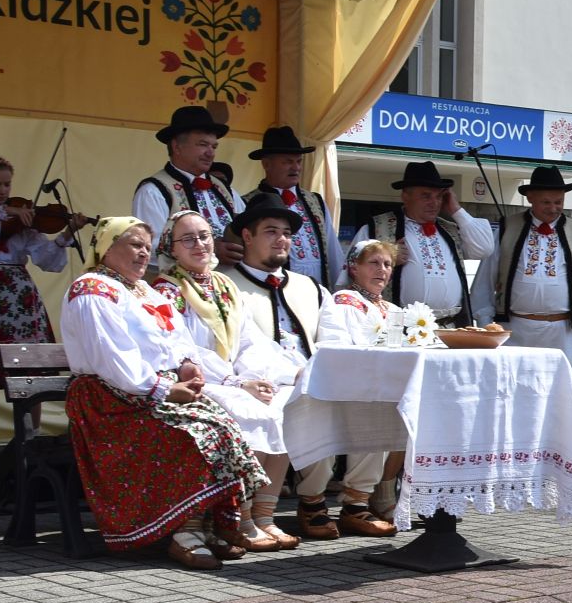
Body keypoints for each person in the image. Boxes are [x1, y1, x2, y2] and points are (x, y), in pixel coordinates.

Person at [61, 217, 267, 570]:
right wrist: (162, 388)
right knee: (191, 433)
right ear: (106, 247)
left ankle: (204, 525)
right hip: (111, 399)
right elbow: (111, 356)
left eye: (147, 246)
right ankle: (185, 533)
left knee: (220, 425)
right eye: (134, 244)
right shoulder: (93, 289)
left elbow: (175, 337)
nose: (144, 253)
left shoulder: (143, 290)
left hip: (146, 391)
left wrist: (186, 365)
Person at [226, 192, 386, 539]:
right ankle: (309, 502)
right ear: (247, 236)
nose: (282, 240)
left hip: (313, 376)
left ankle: (356, 501)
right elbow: (236, 348)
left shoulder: (310, 287)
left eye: (286, 233)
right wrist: (294, 375)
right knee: (306, 405)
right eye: (271, 231)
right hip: (260, 382)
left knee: (376, 405)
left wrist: (330, 372)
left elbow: (333, 339)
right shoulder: (226, 284)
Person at [152, 209, 302, 553]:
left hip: (234, 378)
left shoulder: (224, 285)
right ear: (171, 248)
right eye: (188, 239)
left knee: (285, 406)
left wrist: (269, 376)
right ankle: (240, 518)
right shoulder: (168, 290)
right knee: (250, 411)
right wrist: (237, 384)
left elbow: (251, 342)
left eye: (204, 236)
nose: (199, 244)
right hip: (196, 381)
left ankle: (264, 514)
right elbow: (184, 350)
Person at [0, 155, 89, 466]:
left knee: (31, 372)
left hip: (19, 293)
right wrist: (6, 213)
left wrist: (67, 233)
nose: (2, 190)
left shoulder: (23, 215)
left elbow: (47, 259)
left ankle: (30, 444)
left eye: (6, 184)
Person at [319, 238, 405, 529]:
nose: (382, 270)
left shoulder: (392, 308)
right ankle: (355, 504)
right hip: (353, 387)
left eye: (387, 264)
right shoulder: (345, 301)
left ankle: (378, 496)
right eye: (374, 263)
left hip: (384, 387)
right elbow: (341, 349)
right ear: (354, 268)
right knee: (376, 416)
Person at [350, 161, 496, 326]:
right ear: (405, 196)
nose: (434, 203)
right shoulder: (377, 228)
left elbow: (485, 248)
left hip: (450, 327)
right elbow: (350, 277)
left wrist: (456, 209)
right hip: (401, 328)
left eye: (439, 196)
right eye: (426, 196)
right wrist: (388, 262)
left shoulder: (450, 230)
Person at [487, 167, 572, 360]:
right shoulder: (508, 228)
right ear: (530, 197)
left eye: (558, 202)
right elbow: (485, 280)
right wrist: (485, 322)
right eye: (546, 202)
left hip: (562, 333)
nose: (553, 208)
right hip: (514, 331)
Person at [133, 105, 243, 254]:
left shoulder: (226, 189)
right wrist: (210, 250)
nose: (211, 153)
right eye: (203, 145)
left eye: (214, 147)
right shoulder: (153, 192)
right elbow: (150, 248)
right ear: (177, 147)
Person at [243, 126, 341, 290]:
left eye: (298, 161)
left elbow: (333, 251)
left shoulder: (315, 201)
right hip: (272, 290)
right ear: (266, 164)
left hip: (318, 292)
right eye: (288, 162)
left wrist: (338, 290)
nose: (296, 167)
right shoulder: (248, 203)